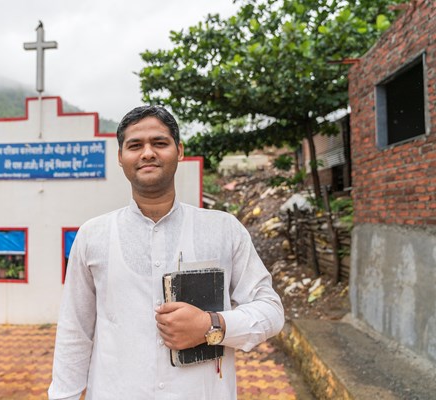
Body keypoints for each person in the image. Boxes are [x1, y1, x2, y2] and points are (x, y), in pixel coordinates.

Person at [48, 105, 284, 399]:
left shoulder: (224, 229)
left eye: (159, 143)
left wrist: (211, 325)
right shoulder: (92, 235)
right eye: (135, 145)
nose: (148, 153)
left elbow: (271, 311)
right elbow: (75, 332)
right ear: (120, 158)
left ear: (179, 151)